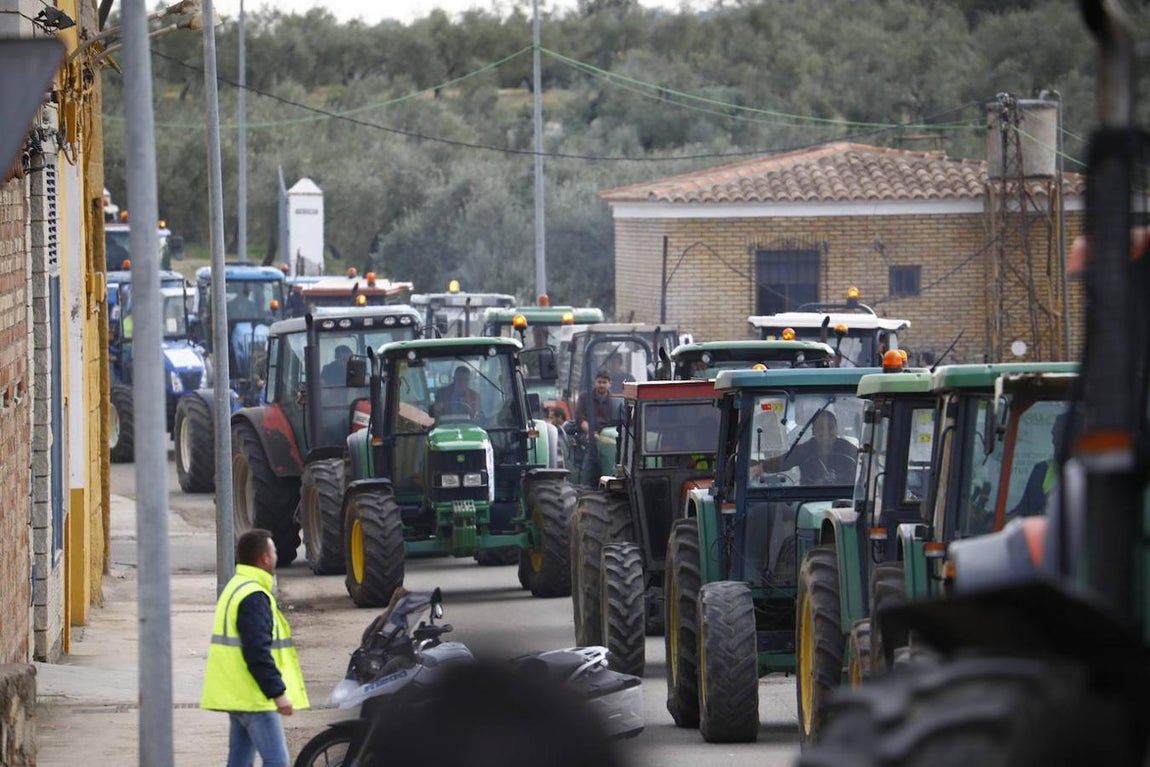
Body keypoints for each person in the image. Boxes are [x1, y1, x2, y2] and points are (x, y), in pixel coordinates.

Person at [201, 529, 309, 767]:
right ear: (265, 558)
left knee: (239, 761)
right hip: (255, 697)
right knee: (277, 761)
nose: (276, 556)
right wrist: (278, 694)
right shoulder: (254, 596)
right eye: (274, 552)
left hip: (239, 695)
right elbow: (257, 651)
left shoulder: (236, 587)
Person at [758, 410, 857, 485]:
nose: (825, 432)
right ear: (813, 431)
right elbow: (783, 462)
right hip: (809, 496)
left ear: (836, 429)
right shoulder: (804, 450)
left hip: (844, 499)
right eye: (820, 428)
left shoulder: (849, 449)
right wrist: (760, 467)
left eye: (830, 427)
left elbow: (862, 465)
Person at [1010, 411, 1071, 518]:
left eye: (1060, 435)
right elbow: (1023, 511)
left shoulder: (1092, 476)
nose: (1053, 441)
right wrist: (996, 518)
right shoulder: (1042, 470)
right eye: (1054, 435)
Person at [574, 370, 618, 486]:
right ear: (595, 382)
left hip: (609, 437)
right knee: (592, 446)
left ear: (610, 384)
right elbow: (580, 419)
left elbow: (620, 421)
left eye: (604, 382)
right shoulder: (585, 398)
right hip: (588, 433)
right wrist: (592, 433)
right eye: (599, 382)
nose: (601, 385)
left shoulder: (615, 401)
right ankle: (586, 483)